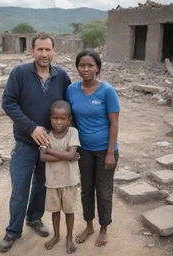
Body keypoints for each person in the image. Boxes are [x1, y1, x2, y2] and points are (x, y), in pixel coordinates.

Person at [0, 32, 71, 253]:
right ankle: (13, 231)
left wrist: (66, 138)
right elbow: (8, 103)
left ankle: (34, 218)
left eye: (48, 49)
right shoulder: (19, 73)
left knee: (41, 186)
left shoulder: (62, 76)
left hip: (49, 146)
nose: (44, 54)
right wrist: (31, 128)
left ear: (54, 51)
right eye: (40, 49)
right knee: (19, 190)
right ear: (32, 51)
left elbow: (68, 106)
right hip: (24, 144)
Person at [66, 49, 120, 247]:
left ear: (97, 67)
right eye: (82, 65)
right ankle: (89, 225)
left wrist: (109, 153)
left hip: (106, 151)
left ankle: (104, 228)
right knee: (86, 190)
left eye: (90, 65)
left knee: (104, 192)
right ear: (77, 67)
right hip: (84, 151)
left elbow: (114, 124)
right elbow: (70, 119)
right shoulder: (71, 89)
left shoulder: (107, 91)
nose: (86, 69)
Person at [40, 100, 80, 254]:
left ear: (69, 119)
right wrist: (67, 156)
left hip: (69, 181)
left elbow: (71, 154)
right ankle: (56, 235)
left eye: (63, 118)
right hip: (52, 182)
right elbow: (43, 157)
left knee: (69, 211)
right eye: (55, 118)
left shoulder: (72, 132)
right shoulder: (46, 135)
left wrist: (50, 151)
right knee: (55, 211)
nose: (58, 122)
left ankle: (69, 237)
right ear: (50, 118)